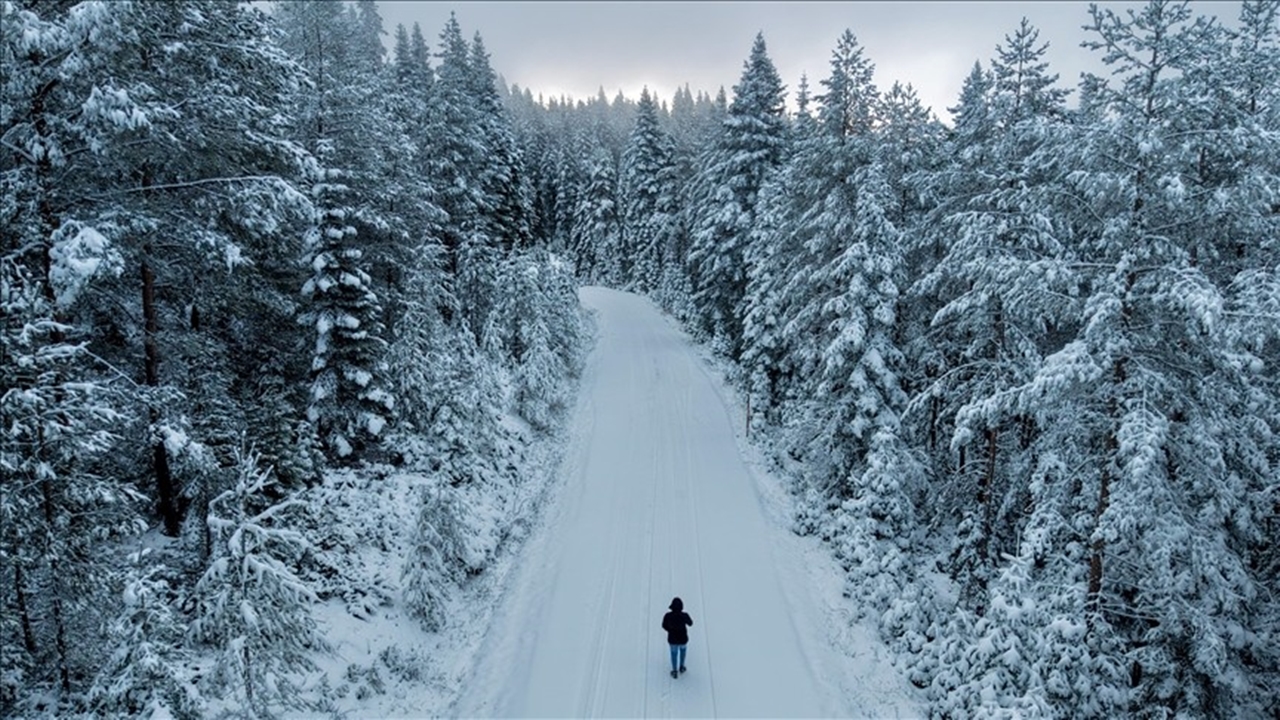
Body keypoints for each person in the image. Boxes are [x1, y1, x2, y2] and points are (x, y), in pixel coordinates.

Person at [661, 597, 693, 679]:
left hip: (672, 639)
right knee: (683, 652)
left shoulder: (667, 616)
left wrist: (670, 630)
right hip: (683, 639)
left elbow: (663, 626)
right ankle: (682, 667)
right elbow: (690, 623)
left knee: (673, 654)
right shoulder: (684, 615)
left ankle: (674, 671)